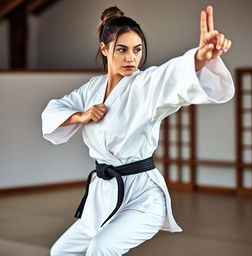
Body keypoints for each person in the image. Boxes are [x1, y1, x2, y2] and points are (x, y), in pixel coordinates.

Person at [41, 5, 234, 256]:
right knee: (60, 252)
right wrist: (81, 115)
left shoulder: (144, 84)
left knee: (103, 247)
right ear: (104, 49)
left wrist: (201, 57)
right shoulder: (91, 89)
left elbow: (171, 75)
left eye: (137, 49)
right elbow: (56, 109)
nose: (131, 58)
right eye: (122, 50)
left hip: (143, 198)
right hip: (104, 196)